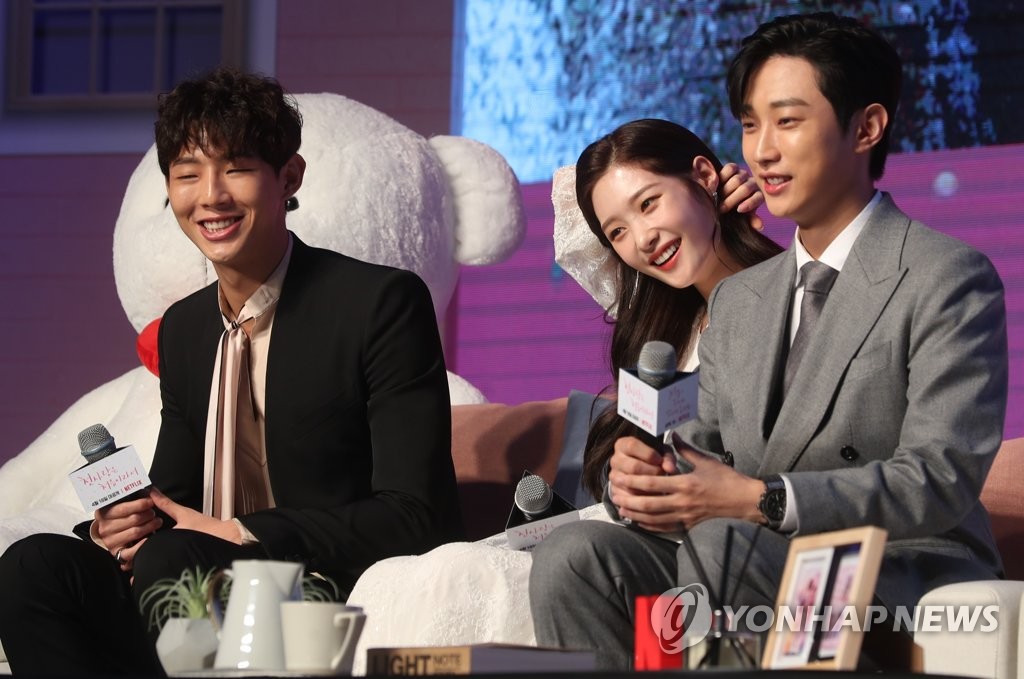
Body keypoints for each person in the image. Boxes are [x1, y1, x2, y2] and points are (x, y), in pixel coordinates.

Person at [530, 11, 1007, 671]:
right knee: (573, 558)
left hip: (894, 567)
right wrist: (647, 482)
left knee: (724, 545)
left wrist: (762, 500)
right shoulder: (740, 300)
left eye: (787, 121)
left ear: (866, 128)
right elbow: (703, 454)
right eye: (751, 126)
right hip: (754, 556)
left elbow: (939, 477)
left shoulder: (945, 275)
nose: (762, 151)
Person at [0, 67, 462, 674]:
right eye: (187, 174)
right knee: (32, 565)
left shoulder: (379, 304)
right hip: (186, 587)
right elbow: (175, 501)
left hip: (318, 595)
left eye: (236, 168)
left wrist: (238, 532)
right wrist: (122, 526)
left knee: (174, 564)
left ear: (289, 177)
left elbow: (415, 515)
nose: (210, 196)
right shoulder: (185, 329)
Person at [343, 123, 770, 654]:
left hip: (712, 537)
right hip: (630, 533)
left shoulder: (786, 292)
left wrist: (729, 210)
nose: (643, 238)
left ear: (706, 175)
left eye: (650, 203)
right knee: (393, 579)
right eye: (617, 232)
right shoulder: (662, 336)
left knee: (463, 576)